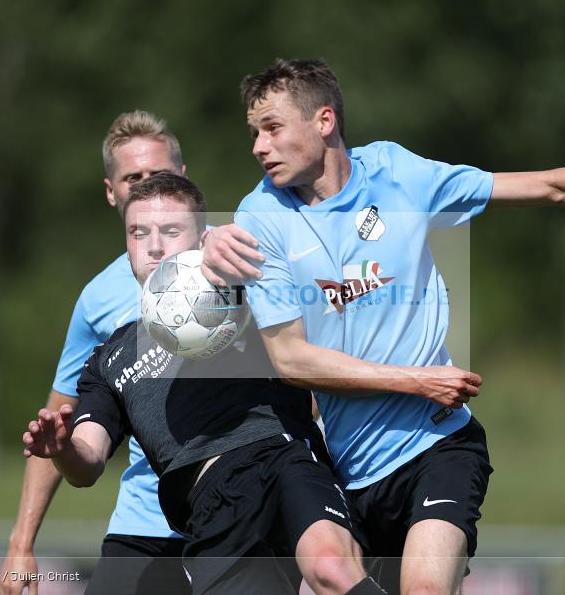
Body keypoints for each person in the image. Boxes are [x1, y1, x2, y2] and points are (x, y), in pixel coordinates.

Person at [199, 58, 565, 594]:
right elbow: (291, 359)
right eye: (254, 133)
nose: (259, 147)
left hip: (439, 445)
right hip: (347, 467)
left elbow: (551, 186)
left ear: (324, 120)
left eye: (272, 128)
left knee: (424, 588)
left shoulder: (398, 174)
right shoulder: (259, 218)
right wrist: (415, 380)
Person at [22, 171, 387, 595]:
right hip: (209, 502)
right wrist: (63, 450)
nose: (153, 246)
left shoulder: (248, 290)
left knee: (331, 567)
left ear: (202, 238)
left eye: (170, 231)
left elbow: (327, 293)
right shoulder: (108, 358)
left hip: (282, 456)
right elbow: (87, 462)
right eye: (138, 233)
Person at [0, 111, 191, 595]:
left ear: (184, 178)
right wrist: (21, 543)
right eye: (133, 178)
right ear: (111, 192)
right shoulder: (97, 300)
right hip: (146, 522)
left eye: (159, 174)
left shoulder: (233, 259)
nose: (146, 187)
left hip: (243, 515)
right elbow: (60, 422)